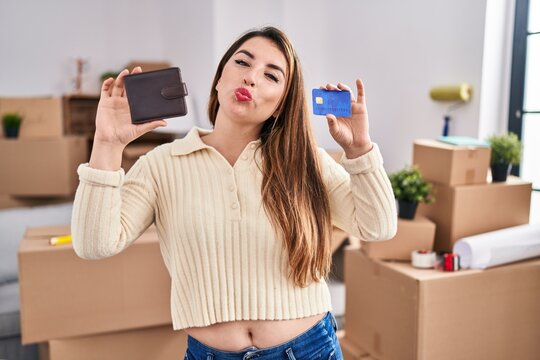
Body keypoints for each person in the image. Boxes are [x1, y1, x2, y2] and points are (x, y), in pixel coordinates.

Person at [71, 26, 397, 360]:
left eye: (271, 76)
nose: (251, 78)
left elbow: (378, 226)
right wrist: (107, 144)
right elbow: (94, 244)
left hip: (308, 349)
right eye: (242, 63)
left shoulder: (304, 160)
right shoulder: (161, 165)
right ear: (219, 78)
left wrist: (360, 150)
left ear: (281, 105)